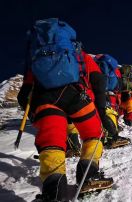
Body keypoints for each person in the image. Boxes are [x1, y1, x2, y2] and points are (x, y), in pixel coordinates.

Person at [17, 18, 112, 201]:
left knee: (51, 141)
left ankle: (54, 191)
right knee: (94, 134)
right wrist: (100, 110)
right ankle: (88, 175)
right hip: (76, 95)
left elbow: (24, 94)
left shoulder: (35, 57)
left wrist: (35, 115)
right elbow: (98, 80)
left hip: (43, 98)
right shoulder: (77, 53)